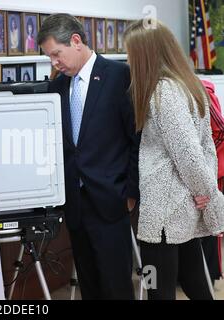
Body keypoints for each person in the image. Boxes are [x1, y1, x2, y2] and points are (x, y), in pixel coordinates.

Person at [38, 13, 139, 299]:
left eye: (57, 54)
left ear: (76, 40)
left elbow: (137, 139)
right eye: (50, 57)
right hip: (76, 207)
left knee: (116, 287)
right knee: (89, 286)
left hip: (112, 200)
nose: (54, 63)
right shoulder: (56, 86)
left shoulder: (119, 76)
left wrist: (131, 192)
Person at [124, 19, 224, 300]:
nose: (130, 61)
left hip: (165, 212)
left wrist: (206, 193)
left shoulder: (163, 92)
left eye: (132, 54)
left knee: (158, 289)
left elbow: (188, 152)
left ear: (146, 54)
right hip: (184, 207)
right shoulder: (189, 85)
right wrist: (204, 191)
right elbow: (205, 147)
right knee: (195, 283)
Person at [201, 79, 224, 286]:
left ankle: (211, 273)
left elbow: (221, 131)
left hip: (211, 170)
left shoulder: (203, 92)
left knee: (211, 224)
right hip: (196, 169)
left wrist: (208, 161)